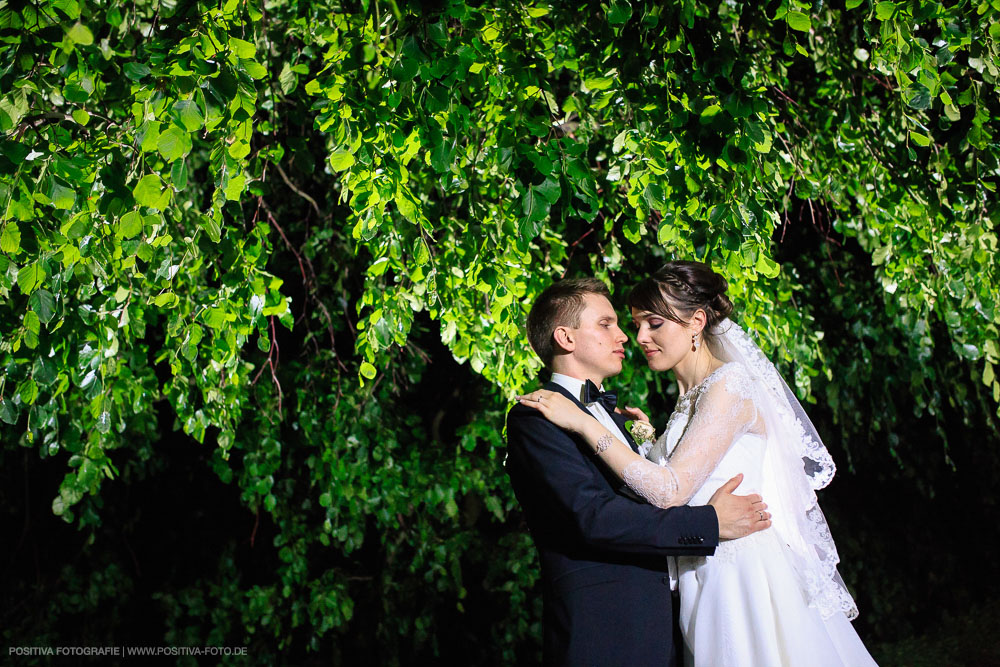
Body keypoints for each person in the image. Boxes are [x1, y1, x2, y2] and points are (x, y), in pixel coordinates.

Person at [518, 262, 878, 667]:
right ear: (564, 337)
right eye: (627, 324)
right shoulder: (541, 416)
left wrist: (587, 424)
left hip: (740, 576)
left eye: (652, 323)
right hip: (684, 590)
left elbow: (671, 490)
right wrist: (651, 445)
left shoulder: (729, 384)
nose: (635, 337)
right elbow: (602, 510)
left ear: (697, 322)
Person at [505, 277, 772, 666]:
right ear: (565, 337)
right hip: (603, 633)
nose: (626, 337)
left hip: (663, 626)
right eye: (606, 324)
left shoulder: (610, 419)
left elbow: (651, 491)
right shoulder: (537, 417)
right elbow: (594, 518)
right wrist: (709, 523)